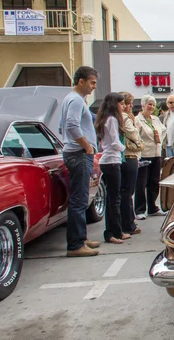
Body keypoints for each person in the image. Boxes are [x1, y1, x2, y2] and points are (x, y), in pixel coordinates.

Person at [59, 66, 101, 257]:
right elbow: (71, 125)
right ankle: (75, 245)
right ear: (81, 81)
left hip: (76, 152)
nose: (93, 87)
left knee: (81, 198)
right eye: (92, 82)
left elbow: (64, 126)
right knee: (79, 199)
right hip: (78, 154)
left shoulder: (73, 99)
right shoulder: (76, 100)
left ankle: (81, 238)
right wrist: (87, 146)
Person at [94, 92, 131, 245]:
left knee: (112, 198)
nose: (124, 106)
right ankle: (113, 232)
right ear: (115, 104)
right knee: (114, 199)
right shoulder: (113, 120)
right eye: (122, 104)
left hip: (107, 160)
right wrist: (126, 148)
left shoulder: (104, 119)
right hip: (112, 160)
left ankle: (115, 231)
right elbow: (115, 142)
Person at [135, 95, 167, 220]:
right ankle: (139, 209)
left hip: (156, 153)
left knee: (154, 181)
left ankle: (152, 207)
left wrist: (158, 141)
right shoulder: (137, 120)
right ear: (143, 105)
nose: (151, 107)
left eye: (153, 105)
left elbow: (163, 131)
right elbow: (135, 135)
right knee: (141, 183)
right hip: (144, 154)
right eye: (149, 104)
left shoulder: (155, 119)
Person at [118, 92, 143, 235]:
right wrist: (141, 144)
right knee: (128, 192)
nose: (131, 106)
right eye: (129, 103)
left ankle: (126, 221)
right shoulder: (125, 119)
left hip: (124, 157)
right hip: (129, 156)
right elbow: (134, 135)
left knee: (123, 192)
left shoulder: (116, 118)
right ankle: (128, 224)